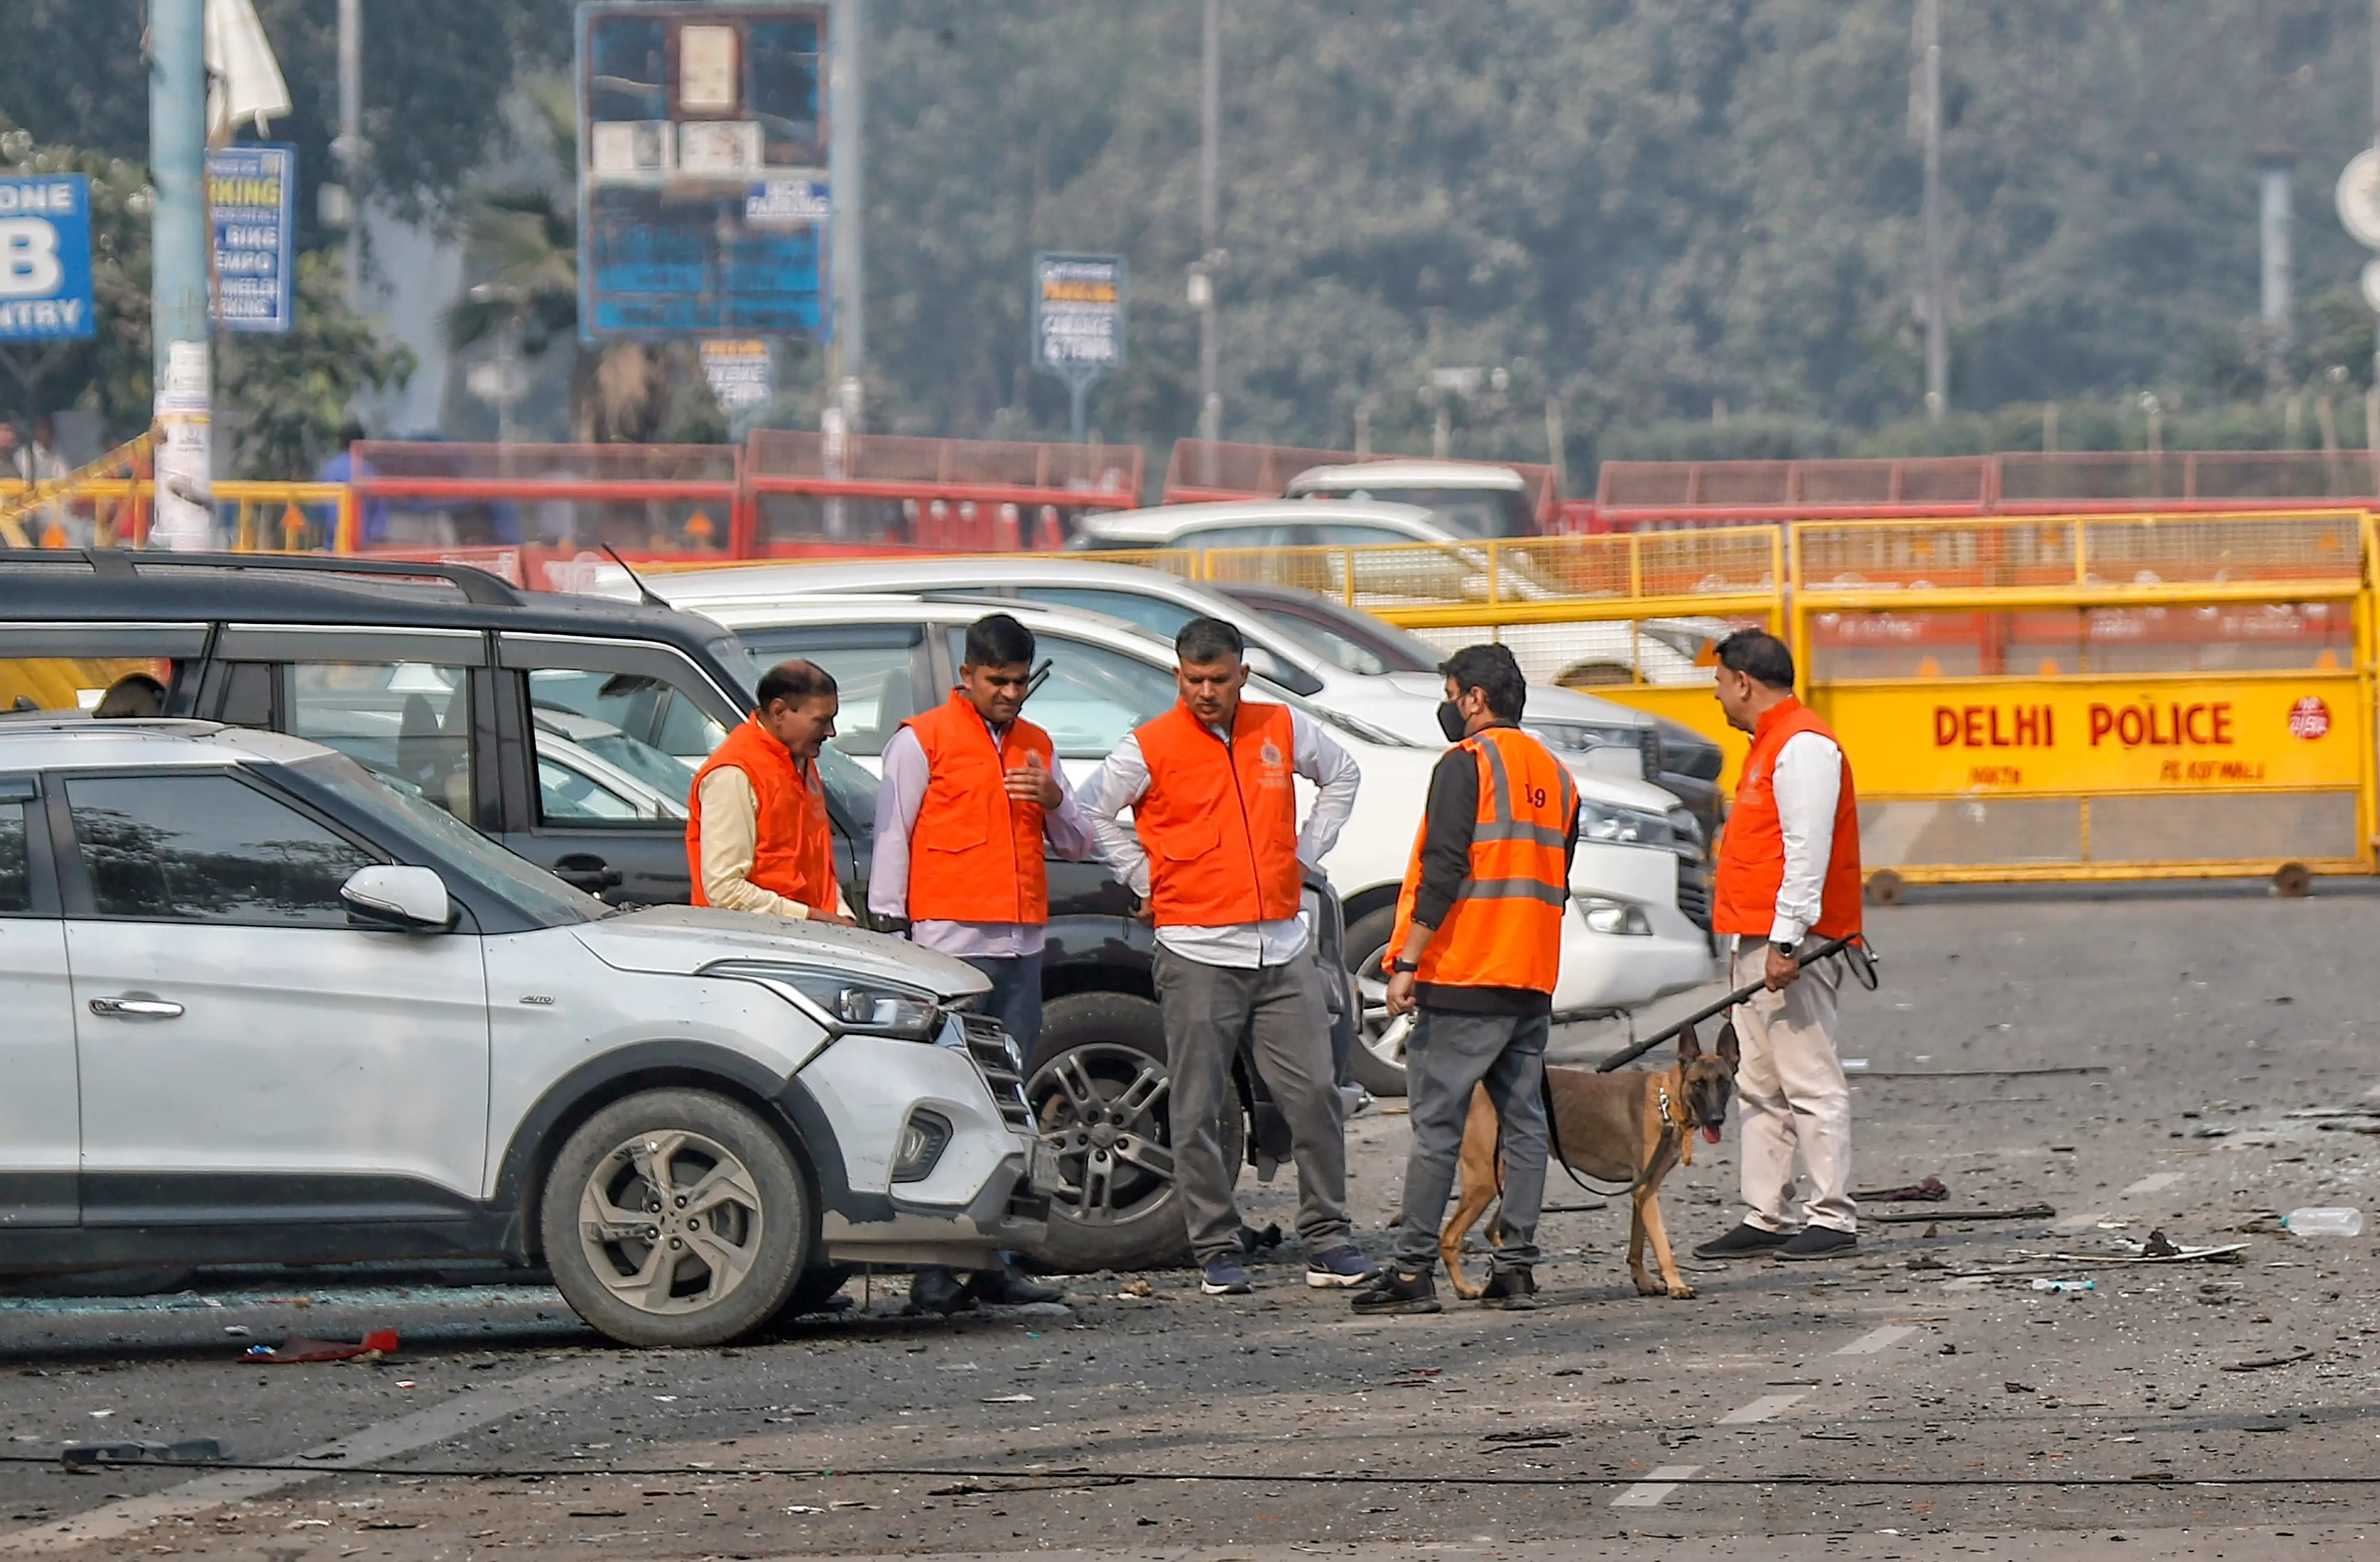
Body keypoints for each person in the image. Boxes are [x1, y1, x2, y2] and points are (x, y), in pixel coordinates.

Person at [1082, 616, 1379, 1296]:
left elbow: (1344, 773)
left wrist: (1305, 854)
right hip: (1195, 949)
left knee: (1315, 1099)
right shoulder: (1150, 745)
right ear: (1178, 676)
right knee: (1197, 1104)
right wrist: (1144, 877)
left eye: (1219, 679)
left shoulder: (1280, 727)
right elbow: (1092, 812)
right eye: (1194, 680)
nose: (1206, 691)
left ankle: (1328, 1238)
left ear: (1243, 673)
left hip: (1281, 945)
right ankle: (1215, 1244)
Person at [1353, 644, 1580, 1316]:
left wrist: (1406, 961)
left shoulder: (1465, 765)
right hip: (1530, 974)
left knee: (1439, 1126)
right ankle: (1516, 1268)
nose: (1449, 708)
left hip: (1466, 972)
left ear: (1475, 697)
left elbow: (1445, 867)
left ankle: (1412, 1269)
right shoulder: (1559, 776)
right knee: (1524, 1124)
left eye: (1452, 694)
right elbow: (1556, 878)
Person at [871, 613, 1086, 1313]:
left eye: (1021, 681)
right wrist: (894, 933)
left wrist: (1054, 801)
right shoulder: (922, 740)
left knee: (1008, 1105)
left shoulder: (1037, 746)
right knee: (946, 1106)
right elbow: (893, 838)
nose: (1010, 694)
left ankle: (994, 1259)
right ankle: (936, 1269)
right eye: (997, 680)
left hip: (1020, 947)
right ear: (967, 674)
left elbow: (1079, 841)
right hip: (950, 952)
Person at [1692, 630, 1865, 1263]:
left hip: (1791, 943)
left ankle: (1832, 1214)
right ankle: (1768, 1213)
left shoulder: (1803, 745)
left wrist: (1787, 940)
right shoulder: (1770, 745)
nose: (1715, 695)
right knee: (1760, 1083)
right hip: (1759, 938)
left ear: (1743, 681)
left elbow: (1806, 851)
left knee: (1809, 1076)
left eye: (1718, 684)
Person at [687, 659, 855, 922]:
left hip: (808, 937)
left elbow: (818, 863)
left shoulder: (800, 760)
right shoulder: (734, 773)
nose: (831, 732)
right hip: (757, 946)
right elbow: (724, 891)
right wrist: (813, 918)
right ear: (779, 712)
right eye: (821, 721)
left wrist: (841, 914)